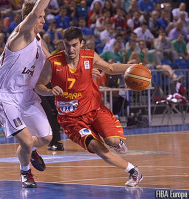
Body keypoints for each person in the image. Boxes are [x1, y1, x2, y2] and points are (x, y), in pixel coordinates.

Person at [35, 27, 143, 187]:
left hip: (94, 110)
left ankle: (116, 143)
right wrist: (50, 90)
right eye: (67, 45)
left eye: (74, 45)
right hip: (72, 120)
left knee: (112, 141)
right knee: (98, 148)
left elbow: (111, 68)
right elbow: (38, 86)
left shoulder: (89, 56)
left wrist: (132, 68)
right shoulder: (53, 62)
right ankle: (134, 171)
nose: (70, 50)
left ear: (81, 44)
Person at [0, 0, 52, 188]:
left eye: (44, 17)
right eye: (40, 17)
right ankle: (25, 172)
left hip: (26, 95)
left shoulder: (40, 41)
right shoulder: (21, 35)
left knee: (47, 138)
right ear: (29, 18)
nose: (43, 21)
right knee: (25, 140)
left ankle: (30, 151)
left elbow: (53, 62)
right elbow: (35, 12)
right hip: (5, 96)